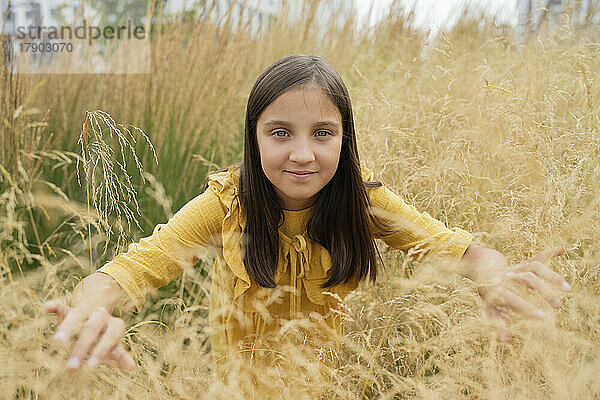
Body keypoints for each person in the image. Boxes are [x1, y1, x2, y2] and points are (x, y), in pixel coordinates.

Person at [44, 54, 570, 381]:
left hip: (328, 387)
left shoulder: (363, 204)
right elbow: (138, 265)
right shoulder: (228, 204)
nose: (302, 153)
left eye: (322, 133)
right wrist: (91, 306)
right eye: (280, 133)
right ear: (254, 138)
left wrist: (491, 273)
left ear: (345, 139)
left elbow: (454, 248)